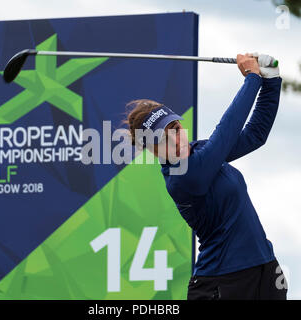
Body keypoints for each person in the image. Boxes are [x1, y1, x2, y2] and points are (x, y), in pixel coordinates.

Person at [123, 53, 288, 300]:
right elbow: (227, 129)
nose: (175, 139)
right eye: (162, 138)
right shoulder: (182, 177)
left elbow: (255, 134)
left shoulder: (202, 152)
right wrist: (252, 79)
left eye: (175, 129)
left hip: (265, 270)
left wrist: (271, 81)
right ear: (152, 150)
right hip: (221, 285)